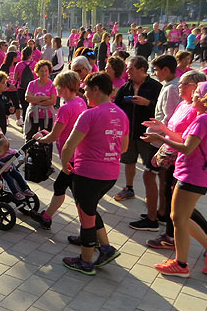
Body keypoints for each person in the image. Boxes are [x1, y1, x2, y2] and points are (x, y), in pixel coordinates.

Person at [142, 81, 207, 277]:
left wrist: (160, 139)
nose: (193, 96)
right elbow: (185, 140)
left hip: (191, 176)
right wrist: (164, 130)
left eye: (197, 93)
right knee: (180, 218)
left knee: (179, 220)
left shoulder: (202, 120)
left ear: (205, 100)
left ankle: (181, 264)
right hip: (193, 175)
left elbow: (187, 148)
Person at [60, 72, 130, 275]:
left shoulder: (90, 114)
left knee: (86, 218)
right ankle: (105, 248)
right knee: (90, 210)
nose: (85, 93)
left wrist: (64, 165)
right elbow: (124, 148)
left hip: (87, 174)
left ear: (96, 89)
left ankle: (86, 261)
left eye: (87, 89)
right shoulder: (121, 114)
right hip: (110, 174)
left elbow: (69, 146)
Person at [33, 71, 88, 229]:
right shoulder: (80, 102)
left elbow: (54, 136)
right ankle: (46, 217)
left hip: (70, 157)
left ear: (64, 87)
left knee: (78, 196)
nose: (55, 88)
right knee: (61, 187)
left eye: (57, 85)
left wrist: (39, 139)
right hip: (78, 153)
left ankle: (90, 229)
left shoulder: (65, 108)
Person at [113, 56, 163, 231]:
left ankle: (153, 200)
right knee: (128, 161)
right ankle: (129, 188)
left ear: (142, 69)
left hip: (147, 135)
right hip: (129, 133)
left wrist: (147, 103)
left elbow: (161, 109)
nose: (127, 71)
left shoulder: (155, 87)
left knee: (150, 169)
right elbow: (117, 106)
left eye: (131, 69)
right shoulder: (125, 87)